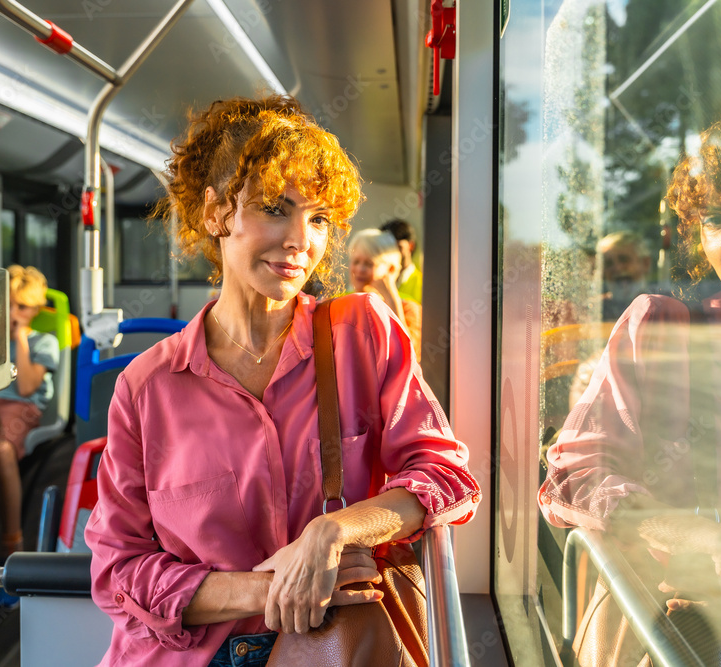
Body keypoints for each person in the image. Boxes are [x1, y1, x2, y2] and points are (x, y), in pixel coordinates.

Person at [85, 95, 481, 666]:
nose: (301, 240)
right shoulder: (147, 385)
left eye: (318, 218)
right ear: (215, 213)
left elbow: (446, 476)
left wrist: (335, 531)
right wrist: (271, 588)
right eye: (275, 208)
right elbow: (117, 572)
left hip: (334, 648)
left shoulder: (360, 334)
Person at [539, 114, 721, 664]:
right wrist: (696, 536)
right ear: (698, 237)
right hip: (673, 628)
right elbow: (573, 476)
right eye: (718, 219)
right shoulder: (661, 328)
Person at [0, 265, 58, 592]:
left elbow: (28, 386)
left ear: (35, 310)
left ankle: (12, 539)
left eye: (23, 306)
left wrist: (19, 337)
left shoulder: (43, 341)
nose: (15, 312)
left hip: (20, 407)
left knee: (0, 449)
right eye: (10, 305)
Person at [348, 228, 422, 360]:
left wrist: (392, 301)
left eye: (369, 264)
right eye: (356, 261)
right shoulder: (338, 302)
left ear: (390, 269)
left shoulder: (408, 308)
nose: (359, 269)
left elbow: (411, 355)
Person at [596, 231, 653, 320]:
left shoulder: (661, 306)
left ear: (645, 263)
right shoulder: (595, 308)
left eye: (624, 260)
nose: (617, 268)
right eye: (608, 263)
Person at [379, 219, 422, 305]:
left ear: (411, 246)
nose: (392, 252)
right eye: (387, 247)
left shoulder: (422, 284)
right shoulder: (375, 281)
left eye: (397, 247)